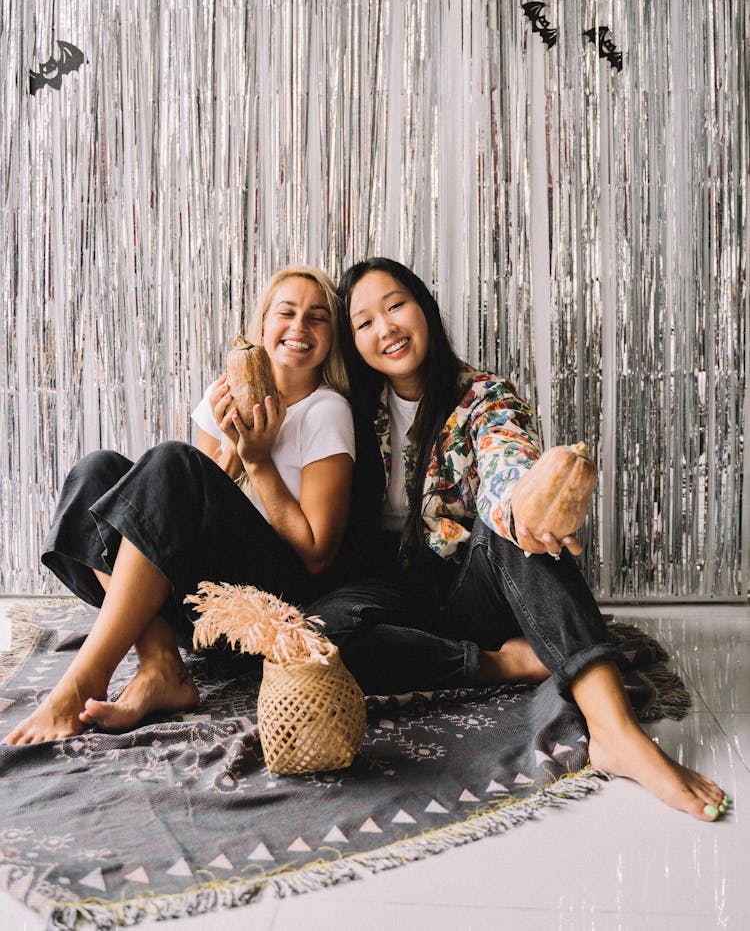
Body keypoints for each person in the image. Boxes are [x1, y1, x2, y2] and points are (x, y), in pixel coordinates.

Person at [311, 257, 729, 822]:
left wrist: (525, 510)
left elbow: (510, 462)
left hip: (471, 586)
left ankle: (616, 733)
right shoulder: (351, 409)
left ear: (423, 307)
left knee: (514, 529)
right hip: (394, 596)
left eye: (395, 305)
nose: (384, 328)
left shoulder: (484, 395)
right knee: (317, 639)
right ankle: (501, 666)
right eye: (363, 322)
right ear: (352, 341)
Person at [3, 265, 355, 746]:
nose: (299, 327)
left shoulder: (326, 410)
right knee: (95, 471)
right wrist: (234, 447)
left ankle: (82, 682)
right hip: (198, 603)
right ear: (263, 326)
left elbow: (316, 556)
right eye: (286, 313)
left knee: (172, 460)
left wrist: (259, 462)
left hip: (270, 608)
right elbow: (184, 512)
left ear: (332, 338)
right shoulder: (227, 392)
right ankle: (160, 661)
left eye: (317, 318)